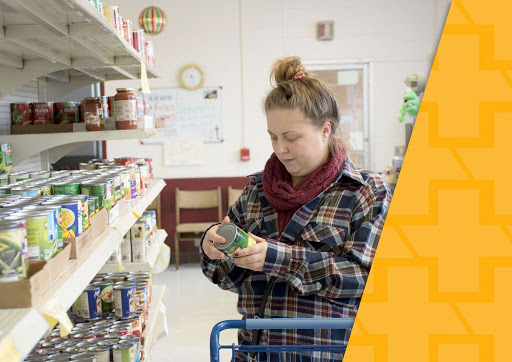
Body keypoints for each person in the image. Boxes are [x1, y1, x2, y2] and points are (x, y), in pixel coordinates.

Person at [200, 56, 392, 361]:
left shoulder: (366, 193)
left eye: (291, 138)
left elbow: (363, 279)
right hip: (256, 352)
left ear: (326, 130)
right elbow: (227, 277)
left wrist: (277, 258)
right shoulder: (256, 191)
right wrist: (214, 248)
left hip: (326, 353)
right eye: (273, 137)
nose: (280, 149)